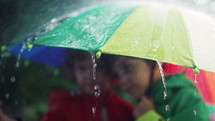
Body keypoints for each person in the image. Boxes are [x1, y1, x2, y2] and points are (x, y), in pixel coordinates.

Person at [0, 50, 135, 121]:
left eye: (98, 68)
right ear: (72, 71)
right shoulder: (64, 106)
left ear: (111, 71)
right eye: (82, 69)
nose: (90, 76)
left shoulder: (126, 110)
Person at [114, 56, 210, 121]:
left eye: (128, 68)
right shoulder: (136, 104)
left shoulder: (185, 97)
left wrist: (149, 117)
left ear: (154, 63)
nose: (123, 80)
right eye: (117, 75)